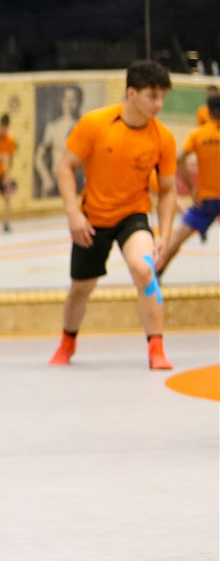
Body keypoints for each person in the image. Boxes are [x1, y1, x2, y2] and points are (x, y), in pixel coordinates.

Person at [48, 60, 177, 370]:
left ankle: (156, 348)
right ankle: (67, 342)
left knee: (144, 269)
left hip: (133, 215)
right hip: (93, 217)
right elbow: (65, 166)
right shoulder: (95, 124)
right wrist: (73, 214)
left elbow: (168, 190)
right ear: (131, 93)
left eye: (162, 97)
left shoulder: (163, 138)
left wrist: (165, 232)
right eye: (152, 96)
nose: (158, 104)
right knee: (81, 288)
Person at [157, 95, 220, 275]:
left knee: (177, 239)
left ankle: (157, 272)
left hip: (206, 198)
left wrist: (191, 186)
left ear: (208, 111)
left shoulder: (198, 134)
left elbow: (179, 159)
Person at [35, 85, 82, 198]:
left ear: (77, 102)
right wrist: (46, 178)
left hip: (75, 182)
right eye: (66, 99)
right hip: (55, 182)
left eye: (73, 100)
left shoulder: (82, 127)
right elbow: (38, 158)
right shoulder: (53, 127)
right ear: (62, 101)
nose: (69, 103)